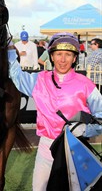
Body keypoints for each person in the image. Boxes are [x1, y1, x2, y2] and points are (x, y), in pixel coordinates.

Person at [8, 32, 102, 191]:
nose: (63, 59)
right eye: (58, 54)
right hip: (46, 148)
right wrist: (9, 50)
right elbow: (16, 75)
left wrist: (87, 129)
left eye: (68, 54)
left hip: (76, 149)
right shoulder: (39, 80)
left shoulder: (86, 85)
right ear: (51, 56)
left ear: (74, 58)